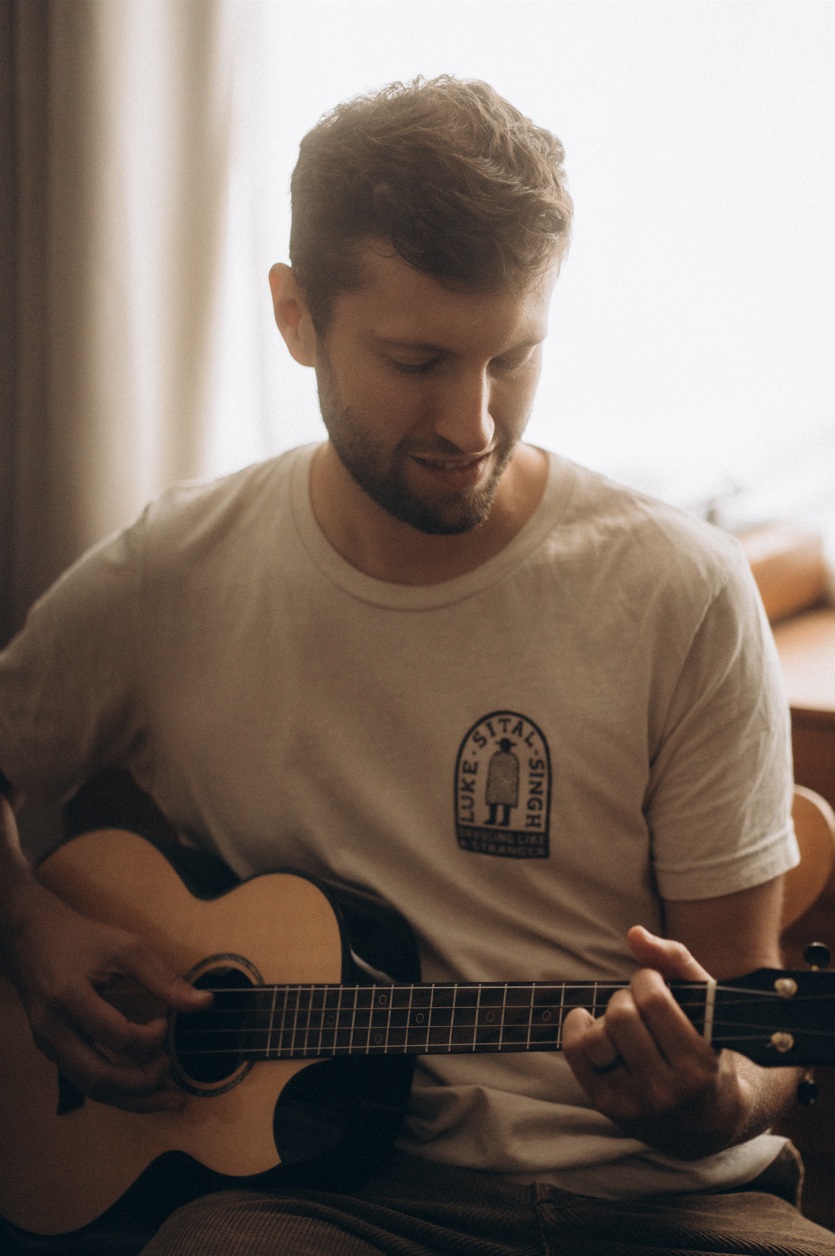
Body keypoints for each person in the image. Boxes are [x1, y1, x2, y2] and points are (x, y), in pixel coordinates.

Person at [0, 76, 832, 1256]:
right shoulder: (173, 573)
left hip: (667, 1203)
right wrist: (29, 924)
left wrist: (713, 1097)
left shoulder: (678, 587)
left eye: (512, 357)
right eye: (418, 359)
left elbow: (756, 1034)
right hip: (318, 1200)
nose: (472, 424)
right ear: (297, 317)